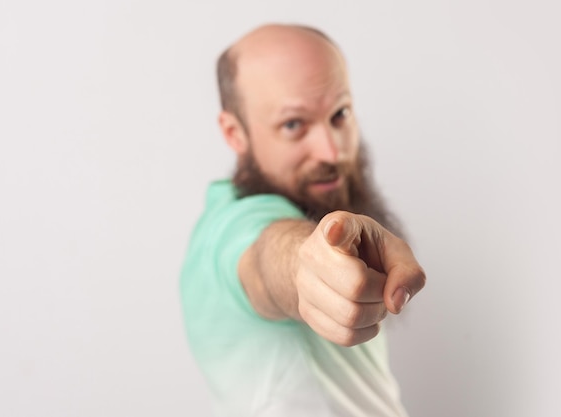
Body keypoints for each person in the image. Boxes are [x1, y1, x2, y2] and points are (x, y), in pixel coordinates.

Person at [180, 23, 426, 417]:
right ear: (235, 133)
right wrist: (309, 265)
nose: (331, 150)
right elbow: (267, 259)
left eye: (339, 114)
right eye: (293, 124)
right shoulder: (228, 229)